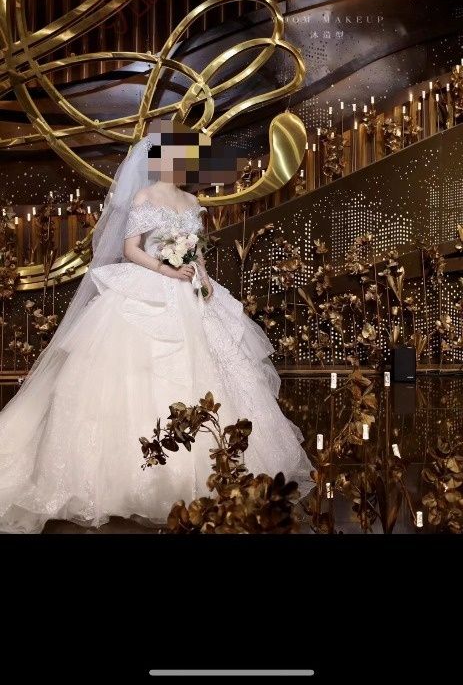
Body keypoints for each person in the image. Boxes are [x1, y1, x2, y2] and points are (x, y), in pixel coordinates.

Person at [0, 123, 311, 533]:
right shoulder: (144, 197)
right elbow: (130, 248)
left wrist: (201, 276)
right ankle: (132, 479)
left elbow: (197, 250)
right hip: (152, 287)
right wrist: (165, 268)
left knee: (219, 367)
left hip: (189, 289)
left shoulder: (191, 200)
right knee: (138, 375)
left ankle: (217, 471)